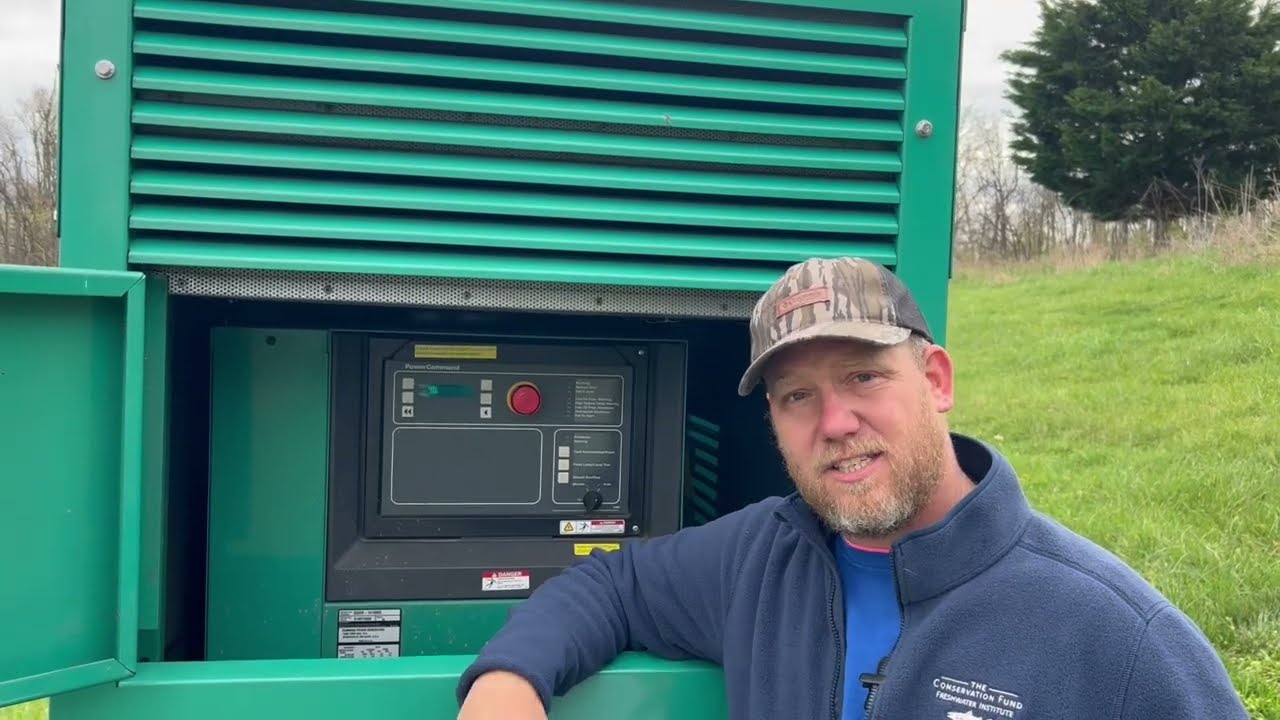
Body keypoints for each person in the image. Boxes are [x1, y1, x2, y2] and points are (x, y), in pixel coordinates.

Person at [454, 257, 1248, 720]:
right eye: (798, 395)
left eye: (864, 375)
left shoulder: (1115, 636)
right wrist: (506, 683)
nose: (834, 421)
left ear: (935, 380)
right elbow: (613, 584)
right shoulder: (759, 558)